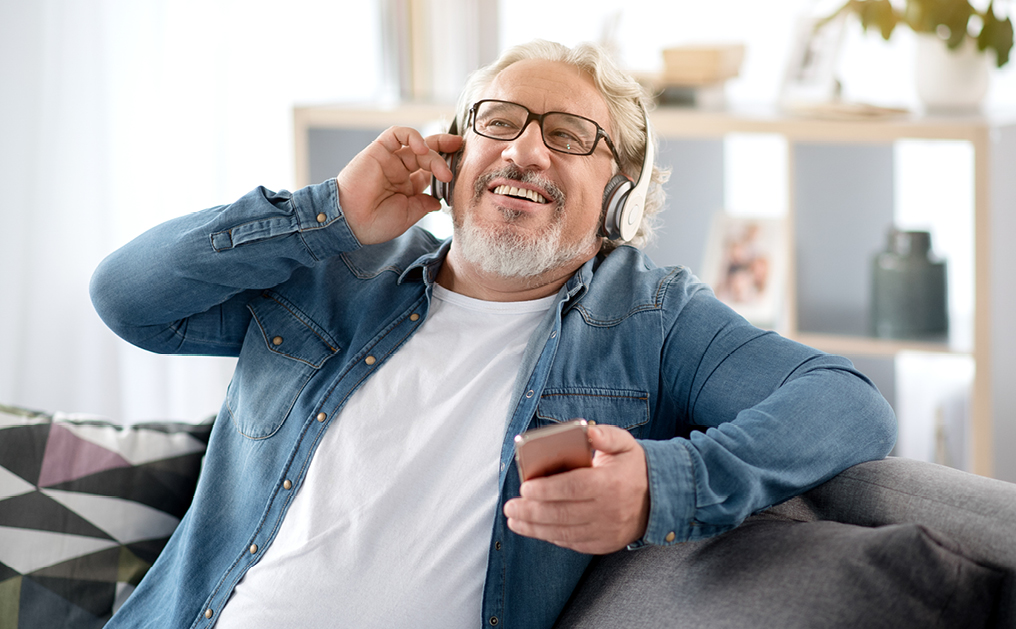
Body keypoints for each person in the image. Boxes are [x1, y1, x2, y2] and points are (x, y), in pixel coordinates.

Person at [91, 39, 896, 629]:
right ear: (454, 155)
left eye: (568, 136)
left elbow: (847, 403)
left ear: (621, 197)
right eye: (499, 121)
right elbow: (128, 298)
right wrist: (327, 211)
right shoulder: (335, 268)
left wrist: (666, 485)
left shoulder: (654, 320)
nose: (523, 148)